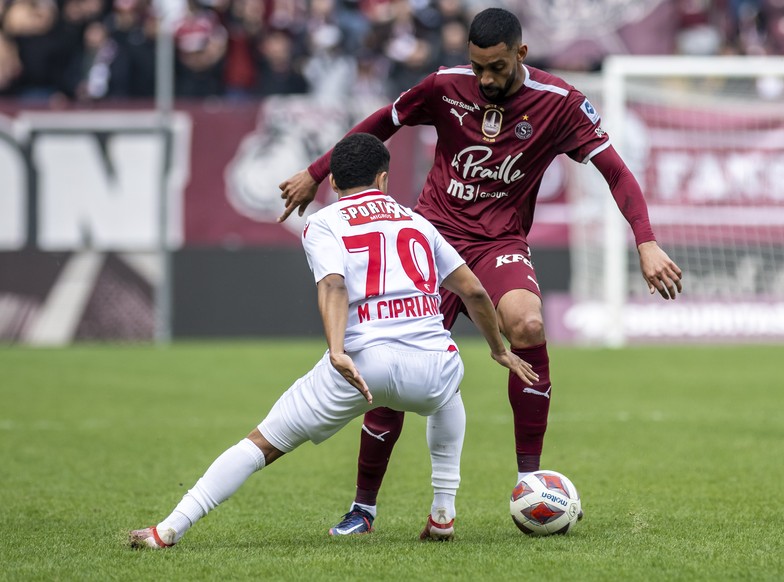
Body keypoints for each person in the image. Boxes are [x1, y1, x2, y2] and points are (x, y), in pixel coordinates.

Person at [277, 7, 683, 536]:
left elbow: (617, 172)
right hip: (431, 239)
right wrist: (316, 172)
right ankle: (364, 508)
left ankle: (530, 482)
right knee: (391, 360)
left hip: (499, 243)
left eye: (496, 68)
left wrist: (646, 241)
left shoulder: (559, 105)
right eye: (478, 67)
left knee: (530, 326)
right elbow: (381, 123)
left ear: (521, 54)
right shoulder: (445, 86)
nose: (485, 79)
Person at [129, 133, 538, 548]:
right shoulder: (417, 221)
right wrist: (498, 349)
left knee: (262, 444)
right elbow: (474, 292)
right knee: (448, 393)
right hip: (433, 364)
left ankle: (168, 530)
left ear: (334, 184)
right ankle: (443, 512)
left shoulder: (323, 222)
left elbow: (333, 285)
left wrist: (338, 350)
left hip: (363, 364)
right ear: (383, 179)